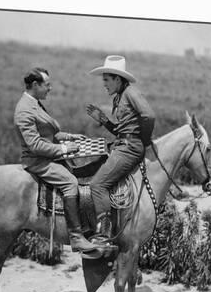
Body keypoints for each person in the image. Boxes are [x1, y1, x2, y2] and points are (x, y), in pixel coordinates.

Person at [14, 67, 104, 256]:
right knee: (71, 183)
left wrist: (71, 138)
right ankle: (76, 236)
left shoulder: (35, 104)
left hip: (49, 156)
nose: (50, 88)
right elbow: (35, 145)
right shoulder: (24, 109)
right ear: (35, 85)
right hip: (37, 160)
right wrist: (63, 149)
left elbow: (50, 135)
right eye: (47, 85)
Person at [86, 55, 156, 245]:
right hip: (123, 145)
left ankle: (104, 232)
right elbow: (122, 130)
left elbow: (148, 116)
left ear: (118, 79)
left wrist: (144, 140)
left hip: (129, 149)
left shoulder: (131, 93)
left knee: (97, 185)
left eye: (107, 80)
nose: (104, 85)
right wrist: (104, 121)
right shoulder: (120, 96)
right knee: (85, 169)